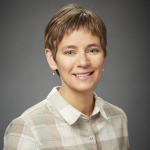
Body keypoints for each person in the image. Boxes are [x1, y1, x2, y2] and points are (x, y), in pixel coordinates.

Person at [3, 4, 129, 150]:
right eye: (70, 52)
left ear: (104, 54)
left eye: (92, 50)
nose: (83, 62)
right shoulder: (28, 129)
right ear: (51, 59)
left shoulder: (118, 118)